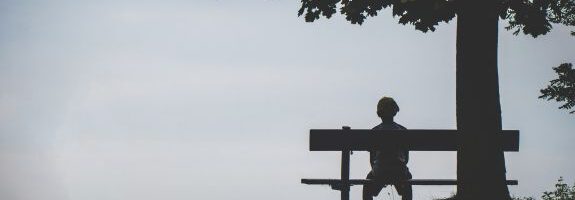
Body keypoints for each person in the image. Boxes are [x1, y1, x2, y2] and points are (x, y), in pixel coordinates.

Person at [363, 97, 412, 200]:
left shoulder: (374, 131)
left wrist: (375, 169)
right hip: (399, 170)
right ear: (395, 111)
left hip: (380, 170)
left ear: (379, 113)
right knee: (407, 179)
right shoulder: (403, 131)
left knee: (367, 184)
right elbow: (406, 159)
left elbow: (372, 159)